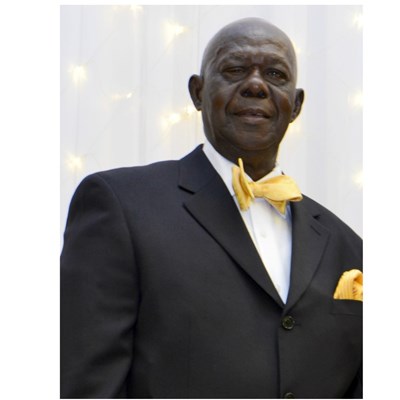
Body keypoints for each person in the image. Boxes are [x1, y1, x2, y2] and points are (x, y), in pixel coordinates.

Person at [61, 17, 362, 399]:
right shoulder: (120, 205)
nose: (256, 85)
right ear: (198, 92)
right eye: (235, 69)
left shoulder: (348, 246)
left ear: (296, 104)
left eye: (275, 74)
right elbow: (86, 385)